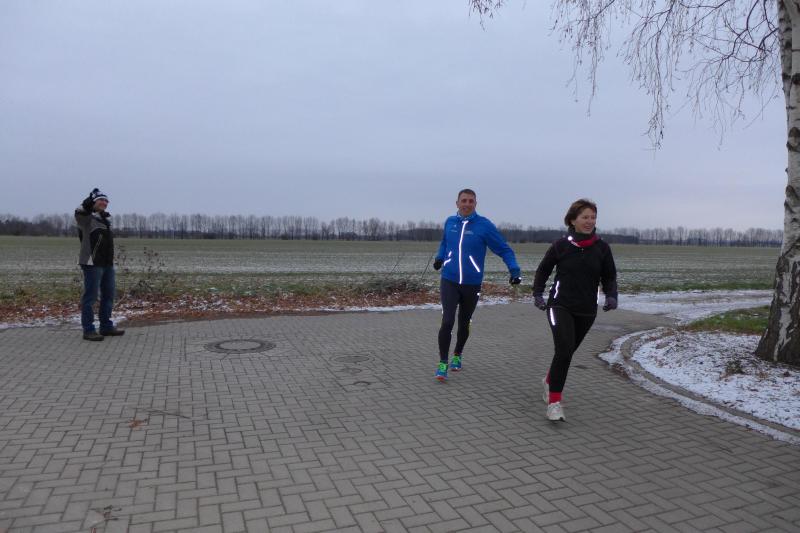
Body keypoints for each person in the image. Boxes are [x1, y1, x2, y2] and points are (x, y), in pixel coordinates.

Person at [532, 198, 617, 421]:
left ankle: (549, 380)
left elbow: (609, 276)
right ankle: (554, 403)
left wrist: (611, 296)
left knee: (567, 352)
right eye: (585, 217)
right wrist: (538, 294)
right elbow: (543, 271)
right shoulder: (560, 246)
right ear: (573, 220)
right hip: (559, 305)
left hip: (586, 310)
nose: (589, 221)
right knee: (563, 350)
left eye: (593, 217)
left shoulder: (602, 248)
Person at [432, 188, 522, 381]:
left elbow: (504, 249)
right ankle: (442, 363)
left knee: (464, 322)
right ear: (457, 203)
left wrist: (514, 270)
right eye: (463, 200)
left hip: (471, 283)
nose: (467, 204)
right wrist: (440, 257)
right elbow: (444, 243)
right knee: (447, 321)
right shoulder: (450, 222)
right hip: (449, 279)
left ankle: (457, 354)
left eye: (470, 201)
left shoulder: (484, 226)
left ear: (475, 204)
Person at [75, 188, 124, 341]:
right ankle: (88, 330)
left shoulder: (105, 220)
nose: (104, 203)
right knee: (90, 297)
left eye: (106, 201)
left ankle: (106, 326)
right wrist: (88, 202)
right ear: (94, 202)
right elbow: (80, 212)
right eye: (101, 200)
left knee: (108, 295)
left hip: (107, 264)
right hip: (92, 263)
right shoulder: (86, 219)